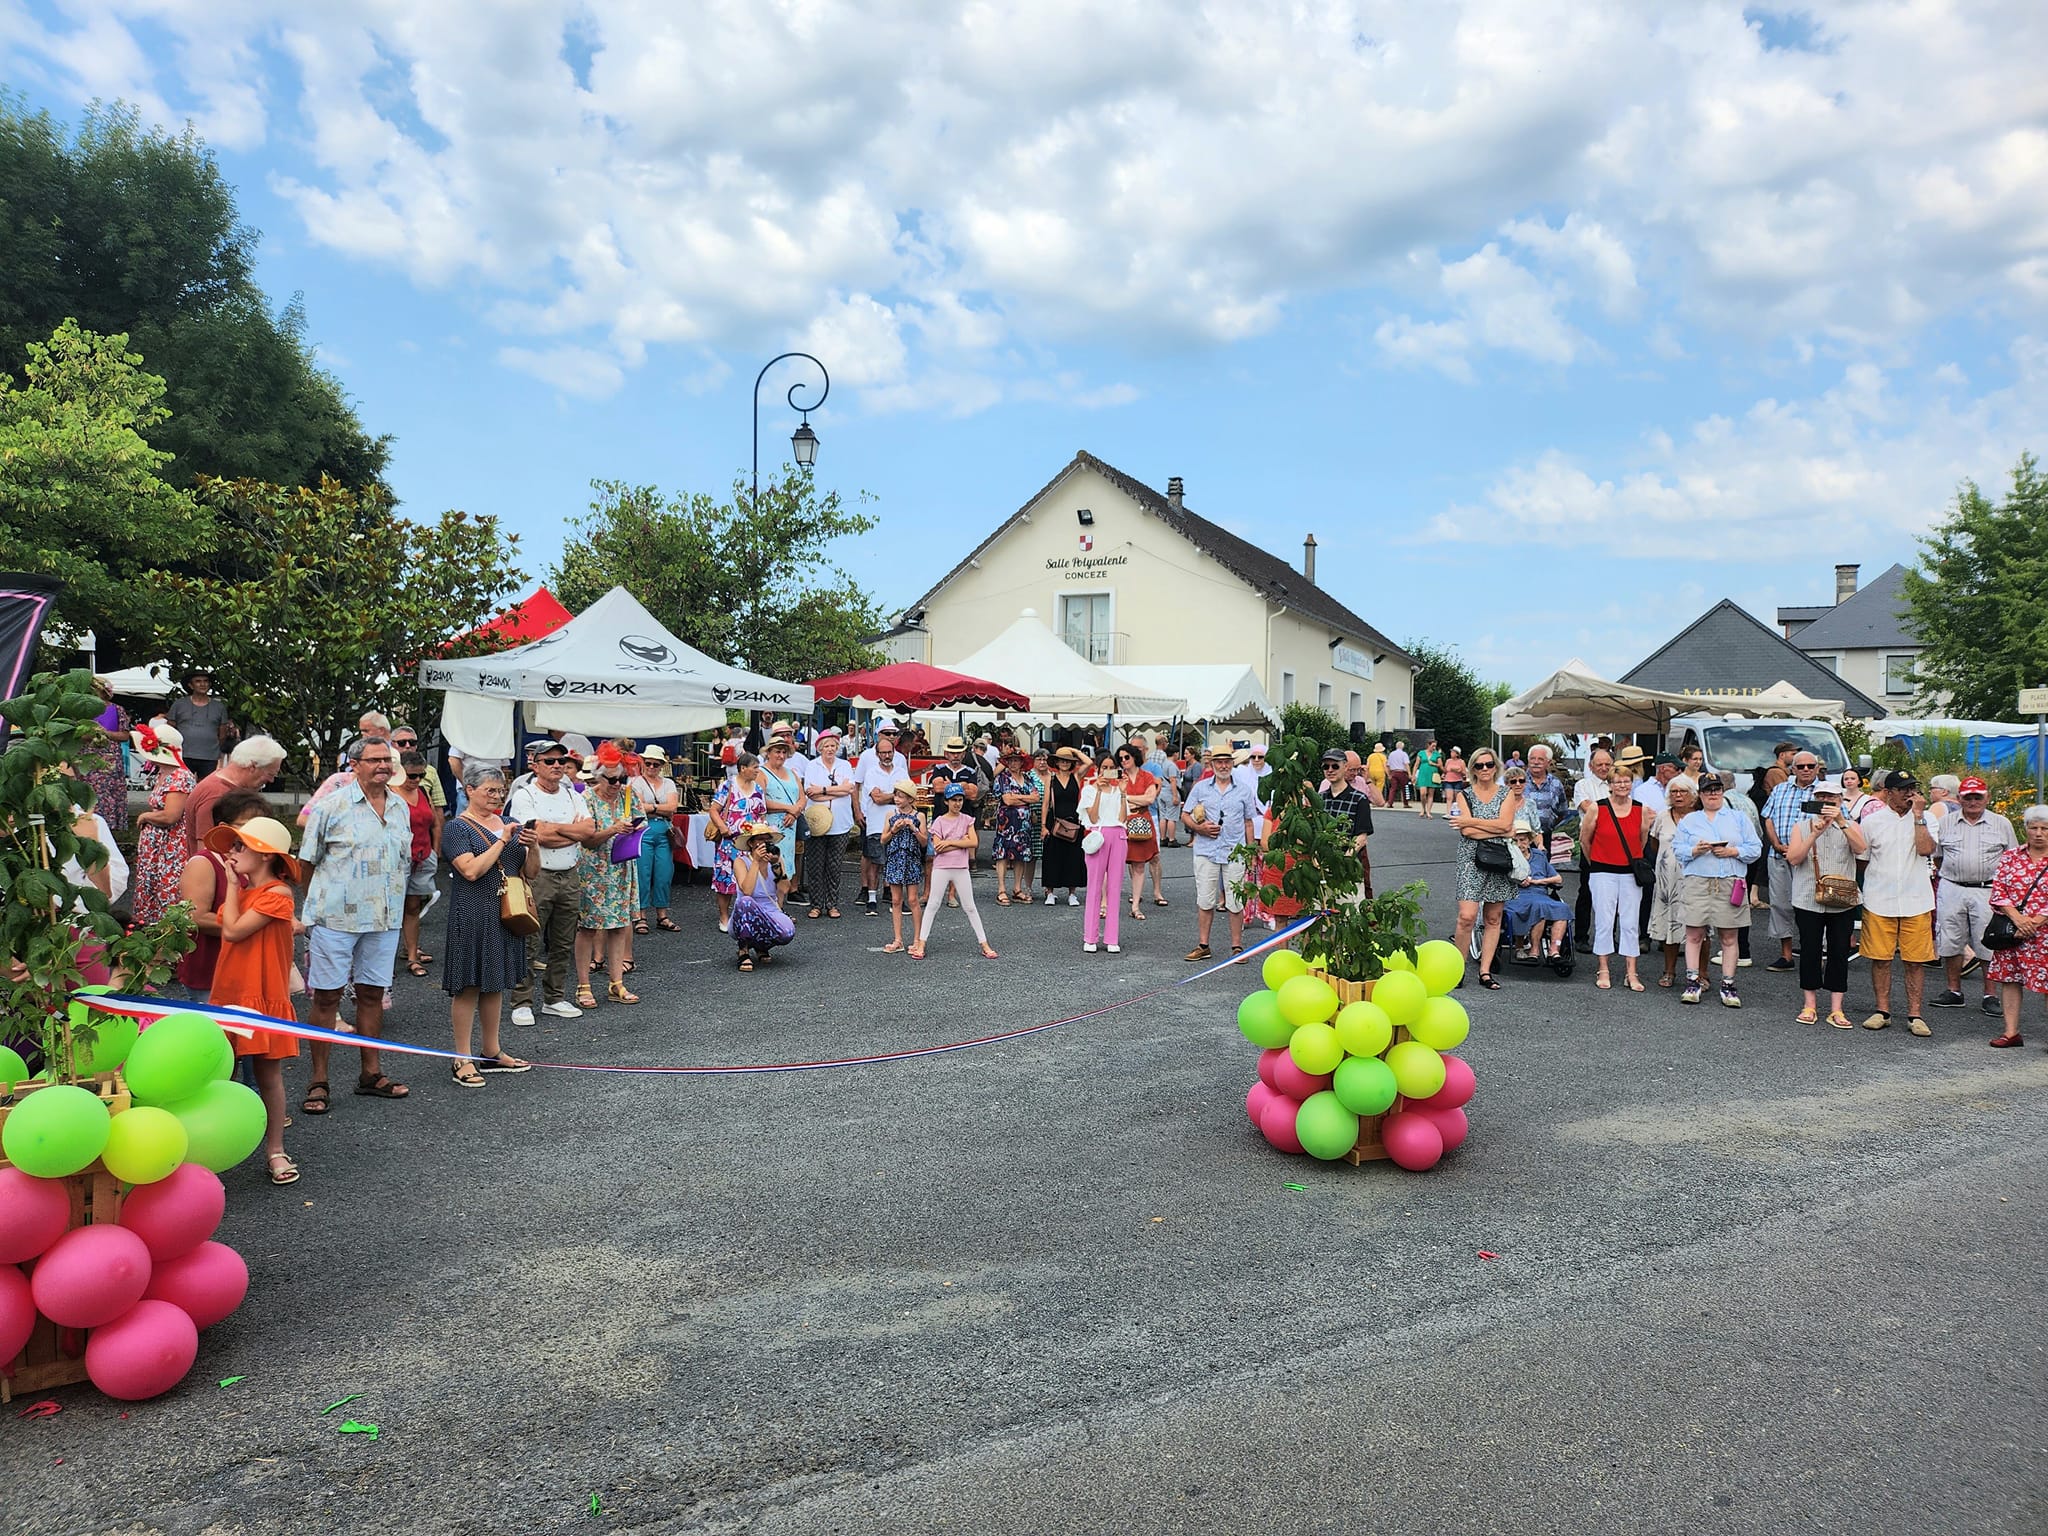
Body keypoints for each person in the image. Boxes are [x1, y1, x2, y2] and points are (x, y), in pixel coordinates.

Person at [297, 737, 411, 1114]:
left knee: (372, 994)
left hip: (384, 917)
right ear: (354, 764)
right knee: (327, 997)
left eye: (387, 760)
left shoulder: (399, 807)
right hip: (336, 918)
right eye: (374, 759)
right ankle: (318, 1080)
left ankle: (371, 1074)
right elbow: (306, 863)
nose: (383, 765)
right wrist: (311, 905)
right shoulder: (330, 807)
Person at [202, 816, 305, 1186]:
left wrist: (231, 885)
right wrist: (235, 887)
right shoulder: (246, 894)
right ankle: (208, 1151)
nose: (232, 852)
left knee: (268, 1076)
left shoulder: (278, 894)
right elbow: (229, 927)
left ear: (264, 854)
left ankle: (275, 1150)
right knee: (215, 1077)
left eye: (240, 846)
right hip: (229, 995)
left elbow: (231, 930)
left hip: (262, 998)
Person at [439, 765, 535, 1088]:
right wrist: (501, 842)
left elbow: (529, 871)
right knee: (468, 984)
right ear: (469, 790)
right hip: (472, 911)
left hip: (503, 912)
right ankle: (461, 1056)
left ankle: (491, 1050)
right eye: (489, 791)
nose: (497, 796)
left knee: (494, 982)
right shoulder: (456, 828)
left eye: (500, 791)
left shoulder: (509, 823)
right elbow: (470, 871)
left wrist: (533, 846)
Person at [506, 741, 597, 1025]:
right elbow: (536, 835)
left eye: (561, 760)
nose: (557, 765)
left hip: (569, 872)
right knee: (530, 938)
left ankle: (554, 998)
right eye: (549, 761)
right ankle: (522, 1000)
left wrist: (553, 828)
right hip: (538, 873)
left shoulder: (572, 795)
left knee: (562, 940)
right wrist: (571, 831)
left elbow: (588, 830)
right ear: (534, 765)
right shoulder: (525, 796)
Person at [171, 789, 273, 1000]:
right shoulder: (204, 863)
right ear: (224, 828)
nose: (258, 831)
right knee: (217, 1031)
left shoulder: (259, 861)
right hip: (211, 971)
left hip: (248, 968)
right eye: (248, 825)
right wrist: (256, 924)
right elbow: (195, 917)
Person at [1784, 777, 1868, 1027]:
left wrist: (1841, 822)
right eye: (1820, 798)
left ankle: (1837, 1008)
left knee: (1839, 951)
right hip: (1808, 897)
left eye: (1831, 799)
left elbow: (1861, 849)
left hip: (1842, 898)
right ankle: (1809, 1004)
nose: (1825, 803)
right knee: (1810, 950)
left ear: (1840, 801)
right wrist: (1814, 833)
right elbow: (1794, 858)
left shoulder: (1851, 825)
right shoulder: (1801, 826)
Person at [1930, 776, 2017, 1016]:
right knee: (1950, 938)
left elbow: (2011, 860)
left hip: (1987, 889)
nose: (1973, 801)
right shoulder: (1946, 822)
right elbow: (1938, 856)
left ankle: (1990, 994)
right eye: (1968, 797)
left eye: (1977, 796)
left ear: (1987, 797)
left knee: (1987, 941)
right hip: (1952, 886)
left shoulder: (2002, 823)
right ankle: (1953, 991)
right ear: (1959, 798)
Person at [1858, 769, 1937, 1035]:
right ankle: (1883, 1010)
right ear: (1888, 793)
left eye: (1912, 788)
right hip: (1880, 898)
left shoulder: (1926, 818)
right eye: (1903, 789)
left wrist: (1917, 817)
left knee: (1915, 960)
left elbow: (1926, 850)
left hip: (1917, 899)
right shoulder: (1872, 821)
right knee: (1880, 958)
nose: (1909, 793)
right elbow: (1862, 859)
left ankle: (1915, 1014)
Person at [1672, 774, 1762, 1007]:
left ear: (1723, 791)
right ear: (1700, 795)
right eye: (1708, 790)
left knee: (1729, 936)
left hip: (1730, 881)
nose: (1713, 793)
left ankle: (1728, 985)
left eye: (1717, 789)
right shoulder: (1690, 821)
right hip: (1698, 881)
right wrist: (1696, 850)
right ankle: (1692, 982)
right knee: (1694, 934)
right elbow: (1678, 850)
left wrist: (1733, 852)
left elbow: (1755, 849)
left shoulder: (1739, 818)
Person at [1448, 748, 1523, 990]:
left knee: (1493, 917)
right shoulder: (1464, 795)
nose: (1484, 769)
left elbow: (1506, 824)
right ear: (1472, 769)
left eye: (1488, 764)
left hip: (1499, 858)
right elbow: (1468, 832)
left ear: (1496, 766)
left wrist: (1471, 820)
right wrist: (1497, 829)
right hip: (1471, 858)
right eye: (1478, 765)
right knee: (1467, 916)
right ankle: (1458, 969)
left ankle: (1485, 970)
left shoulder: (1506, 793)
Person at [576, 746, 644, 1007]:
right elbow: (587, 840)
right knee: (588, 928)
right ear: (598, 778)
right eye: (611, 779)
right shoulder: (586, 799)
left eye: (621, 778)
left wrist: (634, 831)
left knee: (619, 926)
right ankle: (583, 985)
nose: (617, 784)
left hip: (621, 868)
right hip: (593, 871)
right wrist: (613, 829)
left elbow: (641, 822)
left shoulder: (629, 795)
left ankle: (617, 983)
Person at [1183, 744, 1257, 961]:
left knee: (1236, 901)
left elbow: (1249, 822)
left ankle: (1237, 947)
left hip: (1235, 851)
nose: (1223, 765)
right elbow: (1185, 814)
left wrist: (1251, 852)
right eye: (1219, 761)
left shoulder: (1243, 789)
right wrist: (1199, 828)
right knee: (1205, 899)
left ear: (1232, 764)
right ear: (1212, 764)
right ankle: (1203, 944)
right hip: (1206, 850)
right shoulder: (1201, 788)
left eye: (1227, 761)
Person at [912, 785, 999, 960]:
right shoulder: (939, 821)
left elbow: (973, 842)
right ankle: (921, 943)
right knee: (933, 904)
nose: (957, 803)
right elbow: (938, 846)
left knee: (970, 906)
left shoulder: (967, 819)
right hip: (942, 867)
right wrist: (961, 841)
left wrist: (950, 842)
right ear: (946, 801)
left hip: (960, 868)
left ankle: (984, 943)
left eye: (960, 800)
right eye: (954, 800)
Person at [1987, 805, 2048, 1047]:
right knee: (2010, 978)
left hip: (2043, 933)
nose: (2039, 833)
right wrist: (2019, 920)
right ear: (2026, 830)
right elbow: (1999, 890)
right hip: (2013, 931)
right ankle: (2011, 1032)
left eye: (2045, 828)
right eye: (2033, 827)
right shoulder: (2011, 856)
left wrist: (2036, 922)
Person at [1585, 764, 1649, 992]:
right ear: (1610, 785)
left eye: (1626, 781)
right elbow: (1586, 840)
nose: (1622, 785)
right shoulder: (1597, 808)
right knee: (1604, 919)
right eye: (1618, 781)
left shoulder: (1641, 809)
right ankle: (1603, 969)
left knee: (1630, 922)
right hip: (1603, 871)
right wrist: (1598, 863)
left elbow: (1642, 840)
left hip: (1630, 872)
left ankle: (1632, 971)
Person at [1760, 749, 1824, 970]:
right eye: (1801, 766)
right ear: (1792, 769)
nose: (1806, 770)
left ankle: (1815, 953)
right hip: (1779, 855)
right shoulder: (1780, 789)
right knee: (1780, 904)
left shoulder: (1825, 792)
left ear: (1817, 768)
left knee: (1815, 905)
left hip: (1811, 859)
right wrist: (1776, 843)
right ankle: (1786, 954)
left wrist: (1802, 848)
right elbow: (1768, 818)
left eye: (1810, 766)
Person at [129, 723, 196, 928]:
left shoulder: (180, 776)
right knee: (152, 885)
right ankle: (149, 929)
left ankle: (166, 931)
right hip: (157, 845)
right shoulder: (163, 773)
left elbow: (171, 816)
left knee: (166, 886)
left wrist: (146, 816)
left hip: (169, 845)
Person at [183, 735, 288, 847]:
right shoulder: (216, 794)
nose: (271, 780)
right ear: (252, 767)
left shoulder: (222, 785)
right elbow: (206, 849)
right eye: (270, 774)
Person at [1645, 774, 1700, 987]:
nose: (1678, 795)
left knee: (1699, 927)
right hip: (1667, 881)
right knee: (1669, 927)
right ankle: (1669, 971)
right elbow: (1654, 844)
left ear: (1693, 795)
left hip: (1695, 880)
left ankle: (1701, 974)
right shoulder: (1662, 816)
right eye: (1674, 792)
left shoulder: (1700, 817)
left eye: (1683, 791)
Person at [394, 749, 442, 978]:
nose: (416, 780)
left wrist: (435, 850)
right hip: (397, 860)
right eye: (411, 776)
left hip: (423, 856)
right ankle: (381, 961)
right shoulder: (389, 793)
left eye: (420, 775)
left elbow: (434, 822)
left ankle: (412, 955)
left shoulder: (422, 791)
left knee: (413, 907)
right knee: (390, 911)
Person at [708, 752, 768, 933]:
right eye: (755, 767)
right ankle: (724, 915)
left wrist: (762, 831)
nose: (758, 771)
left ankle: (748, 913)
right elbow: (713, 809)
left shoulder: (757, 788)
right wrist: (722, 826)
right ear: (743, 768)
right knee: (725, 878)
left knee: (751, 877)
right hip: (729, 841)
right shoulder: (728, 785)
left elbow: (761, 813)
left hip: (750, 842)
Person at [1077, 751, 1130, 954]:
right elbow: (1092, 816)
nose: (1108, 772)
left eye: (1111, 767)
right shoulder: (1089, 789)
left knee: (1115, 887)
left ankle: (1111, 937)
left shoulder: (1119, 791)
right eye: (1104, 768)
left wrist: (1124, 791)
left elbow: (1123, 818)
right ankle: (1090, 937)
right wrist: (1098, 791)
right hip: (1098, 835)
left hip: (1118, 836)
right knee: (1094, 886)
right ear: (1097, 769)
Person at [801, 728, 856, 920]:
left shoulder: (845, 765)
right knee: (816, 865)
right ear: (820, 748)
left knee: (834, 866)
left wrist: (823, 790)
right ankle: (816, 904)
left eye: (833, 746)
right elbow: (810, 792)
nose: (830, 749)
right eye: (826, 746)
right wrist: (837, 790)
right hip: (817, 822)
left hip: (840, 823)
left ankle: (832, 904)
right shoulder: (812, 766)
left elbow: (849, 789)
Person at [855, 722, 907, 913]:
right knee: (875, 863)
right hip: (876, 824)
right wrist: (896, 794)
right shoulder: (871, 773)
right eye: (883, 752)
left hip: (898, 823)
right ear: (877, 754)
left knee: (896, 862)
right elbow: (876, 799)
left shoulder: (901, 771)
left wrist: (891, 796)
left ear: (894, 753)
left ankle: (896, 900)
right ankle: (871, 899)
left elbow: (907, 797)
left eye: (889, 752)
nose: (886, 755)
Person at [630, 746, 682, 934]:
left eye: (656, 764)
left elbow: (673, 807)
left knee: (664, 873)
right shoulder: (635, 782)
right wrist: (661, 807)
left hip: (662, 832)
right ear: (642, 763)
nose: (651, 766)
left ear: (661, 765)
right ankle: (640, 915)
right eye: (648, 763)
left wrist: (650, 807)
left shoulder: (668, 782)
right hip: (643, 831)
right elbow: (638, 807)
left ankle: (662, 915)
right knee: (642, 874)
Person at [1505, 816, 1571, 960]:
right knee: (1539, 907)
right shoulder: (1507, 857)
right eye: (1515, 841)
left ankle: (1554, 949)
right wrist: (1516, 880)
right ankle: (1534, 949)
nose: (1519, 844)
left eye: (1523, 840)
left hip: (1540, 894)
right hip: (1515, 895)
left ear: (1529, 841)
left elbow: (1558, 878)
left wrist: (1536, 881)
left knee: (1562, 908)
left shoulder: (1539, 856)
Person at [730, 824, 795, 969]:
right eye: (760, 839)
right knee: (746, 901)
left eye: (767, 840)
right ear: (751, 843)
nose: (764, 843)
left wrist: (776, 865)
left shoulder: (776, 861)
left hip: (769, 910)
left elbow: (785, 889)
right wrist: (756, 862)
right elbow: (747, 890)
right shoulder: (741, 862)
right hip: (745, 913)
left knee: (787, 932)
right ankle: (744, 950)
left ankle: (761, 945)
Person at [1116, 741, 1167, 919]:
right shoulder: (1118, 777)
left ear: (1134, 756)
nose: (1123, 760)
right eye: (1120, 758)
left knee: (1139, 864)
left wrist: (1126, 797)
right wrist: (1138, 798)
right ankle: (1106, 904)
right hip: (1122, 822)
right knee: (1115, 864)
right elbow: (1117, 800)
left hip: (1141, 822)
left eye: (1126, 757)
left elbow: (1150, 799)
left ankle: (1136, 905)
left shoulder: (1147, 775)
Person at [1572, 743, 1616, 940]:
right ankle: (1581, 935)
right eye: (1599, 764)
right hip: (1591, 842)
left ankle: (1609, 936)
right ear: (1591, 766)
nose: (1604, 768)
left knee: (1613, 892)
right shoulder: (1583, 785)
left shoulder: (1617, 783)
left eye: (1608, 764)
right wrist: (1614, 811)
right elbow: (1588, 807)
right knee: (1587, 890)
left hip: (1614, 844)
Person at [758, 736, 808, 901]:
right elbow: (760, 801)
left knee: (785, 869)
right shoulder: (761, 773)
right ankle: (769, 908)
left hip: (790, 825)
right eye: (777, 751)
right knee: (771, 867)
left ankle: (779, 909)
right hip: (772, 827)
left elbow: (802, 798)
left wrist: (795, 813)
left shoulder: (792, 773)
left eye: (784, 752)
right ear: (769, 753)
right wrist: (788, 808)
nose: (781, 755)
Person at [1318, 747, 1375, 895]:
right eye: (1326, 766)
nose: (1330, 770)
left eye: (1335, 766)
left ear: (1345, 767)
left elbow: (1361, 838)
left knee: (1349, 911)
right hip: (1323, 867)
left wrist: (1344, 861)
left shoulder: (1359, 799)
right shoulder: (1319, 799)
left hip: (1348, 867)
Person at [879, 782, 927, 953]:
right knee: (896, 900)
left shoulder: (919, 816)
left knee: (913, 899)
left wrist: (914, 829)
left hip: (911, 860)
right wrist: (894, 830)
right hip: (894, 859)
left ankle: (917, 939)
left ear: (910, 799)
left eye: (901, 796)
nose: (897, 799)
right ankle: (897, 939)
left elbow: (924, 842)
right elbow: (883, 839)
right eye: (896, 795)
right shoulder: (890, 814)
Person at [84, 680, 133, 835]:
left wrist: (106, 733)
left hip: (109, 760)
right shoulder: (82, 710)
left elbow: (125, 735)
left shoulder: (117, 710)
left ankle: (109, 829)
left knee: (108, 793)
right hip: (87, 759)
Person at [1040, 746, 1088, 906]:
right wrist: (1043, 826)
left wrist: (1073, 750)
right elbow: (1046, 803)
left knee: (1073, 858)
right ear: (1057, 762)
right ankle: (1050, 892)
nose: (1064, 763)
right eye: (1061, 760)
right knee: (1052, 857)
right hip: (1054, 822)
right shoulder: (1051, 779)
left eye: (1068, 761)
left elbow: (1088, 762)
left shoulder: (1076, 776)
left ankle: (1072, 893)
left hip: (1074, 822)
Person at [166, 670, 232, 783]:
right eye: (198, 681)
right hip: (184, 754)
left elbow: (222, 734)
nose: (203, 684)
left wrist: (212, 746)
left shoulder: (219, 706)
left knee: (205, 788)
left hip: (209, 756)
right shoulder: (179, 704)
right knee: (182, 785)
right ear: (190, 685)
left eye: (206, 681)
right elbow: (170, 730)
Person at [992, 747, 1036, 905]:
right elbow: (1007, 800)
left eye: (1016, 760)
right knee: (1002, 854)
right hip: (1006, 822)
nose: (1013, 763)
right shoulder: (1002, 778)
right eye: (1010, 760)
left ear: (1022, 762)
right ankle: (1001, 889)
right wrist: (1025, 798)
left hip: (1024, 824)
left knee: (1021, 855)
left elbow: (1036, 797)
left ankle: (1017, 888)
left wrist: (1017, 797)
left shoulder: (1028, 778)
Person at [1519, 745, 1568, 841]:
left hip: (1546, 837)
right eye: (1532, 759)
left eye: (1540, 759)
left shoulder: (1556, 783)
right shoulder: (1517, 781)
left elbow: (1562, 812)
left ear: (1548, 762)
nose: (1536, 762)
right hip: (1520, 838)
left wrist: (1550, 824)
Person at [1413, 740, 1441, 819]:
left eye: (1435, 746)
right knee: (1423, 793)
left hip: (1432, 774)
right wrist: (1413, 775)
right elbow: (1416, 764)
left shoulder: (1437, 754)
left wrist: (1434, 764)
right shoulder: (1421, 753)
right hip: (1422, 774)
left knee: (1431, 794)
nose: (1434, 748)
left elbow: (1440, 765)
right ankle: (1423, 808)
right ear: (1428, 745)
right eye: (1433, 746)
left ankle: (1428, 811)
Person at [1385, 739, 1411, 807]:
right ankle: (1406, 803)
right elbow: (1406, 764)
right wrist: (1409, 773)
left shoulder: (1391, 754)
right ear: (1402, 747)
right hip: (1402, 772)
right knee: (1405, 788)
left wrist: (1389, 774)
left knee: (1393, 788)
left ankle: (1390, 803)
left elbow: (1388, 765)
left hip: (1393, 772)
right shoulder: (1404, 754)